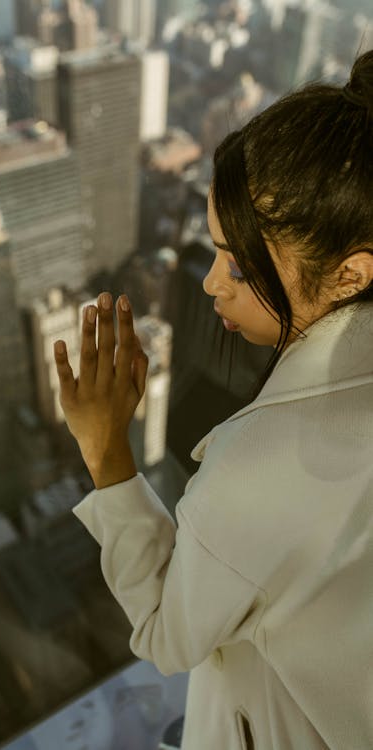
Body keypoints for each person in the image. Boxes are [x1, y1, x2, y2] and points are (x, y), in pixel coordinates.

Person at [53, 50, 373, 750]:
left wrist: (107, 451)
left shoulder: (269, 465)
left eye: (240, 263)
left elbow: (168, 634)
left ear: (349, 274)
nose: (212, 284)